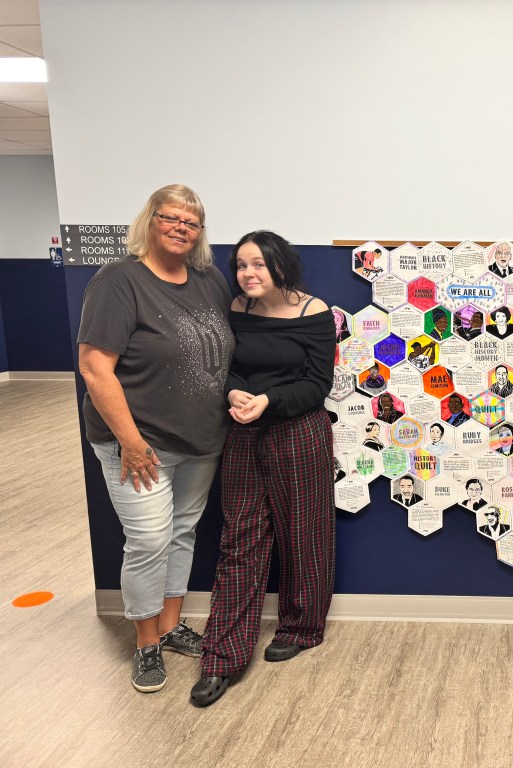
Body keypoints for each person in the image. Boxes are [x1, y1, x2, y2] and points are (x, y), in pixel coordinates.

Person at [78, 184, 234, 694]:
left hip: (202, 439)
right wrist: (131, 441)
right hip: (138, 445)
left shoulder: (209, 280)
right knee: (147, 540)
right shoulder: (118, 281)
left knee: (183, 531)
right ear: (150, 220)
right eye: (170, 218)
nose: (180, 228)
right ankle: (145, 643)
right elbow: (95, 368)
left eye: (191, 222)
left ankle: (171, 626)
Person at [191, 230, 335, 708]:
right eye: (241, 265)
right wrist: (234, 392)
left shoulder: (313, 312)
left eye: (259, 265)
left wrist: (269, 399)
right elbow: (228, 369)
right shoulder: (236, 310)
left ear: (281, 267)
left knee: (303, 534)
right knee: (240, 540)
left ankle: (302, 627)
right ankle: (222, 657)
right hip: (245, 432)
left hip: (299, 431)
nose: (248, 275)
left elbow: (317, 385)